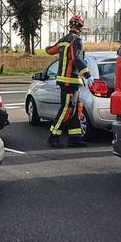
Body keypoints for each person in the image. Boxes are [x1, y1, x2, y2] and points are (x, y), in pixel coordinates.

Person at [45, 14, 90, 148]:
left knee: (76, 109)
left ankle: (75, 138)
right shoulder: (77, 40)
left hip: (68, 81)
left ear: (70, 25)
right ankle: (53, 136)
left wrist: (48, 48)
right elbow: (77, 59)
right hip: (70, 81)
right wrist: (87, 75)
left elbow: (50, 51)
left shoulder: (64, 40)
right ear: (81, 27)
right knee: (66, 109)